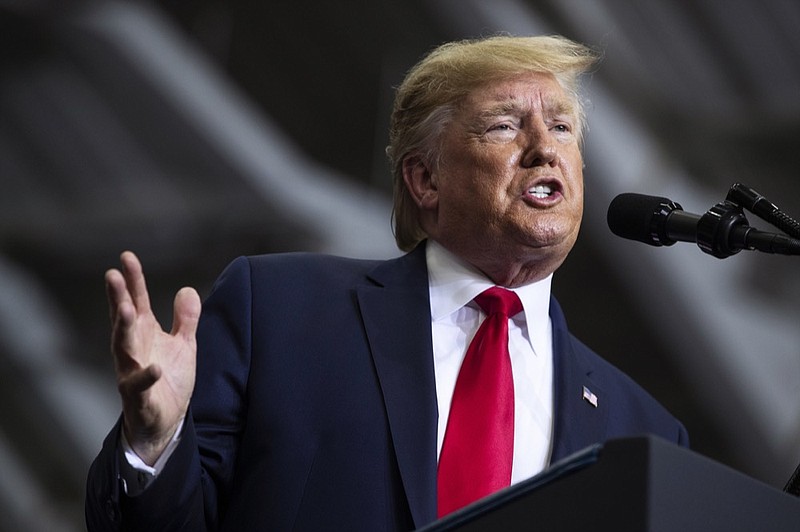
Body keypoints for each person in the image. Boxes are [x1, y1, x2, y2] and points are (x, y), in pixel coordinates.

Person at [86, 34, 688, 531]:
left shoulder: (646, 431)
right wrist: (156, 447)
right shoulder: (277, 311)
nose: (544, 151)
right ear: (425, 179)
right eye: (505, 127)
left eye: (561, 128)